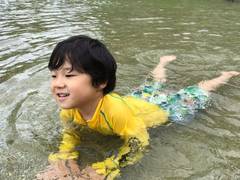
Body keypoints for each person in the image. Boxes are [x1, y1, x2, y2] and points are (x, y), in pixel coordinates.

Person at [36, 35, 239, 180]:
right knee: (151, 85)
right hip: (134, 102)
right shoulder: (69, 109)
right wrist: (65, 155)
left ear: (100, 82)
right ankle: (162, 64)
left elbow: (139, 141)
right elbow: (71, 133)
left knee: (194, 94)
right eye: (54, 75)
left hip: (160, 110)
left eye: (69, 75)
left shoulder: (115, 113)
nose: (57, 83)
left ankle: (224, 76)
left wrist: (109, 166)